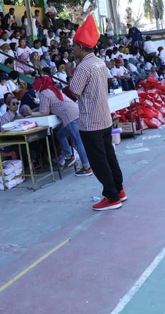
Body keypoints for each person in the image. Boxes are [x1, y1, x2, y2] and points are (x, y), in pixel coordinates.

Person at [70, 15, 126, 210]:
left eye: (73, 46)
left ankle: (111, 197)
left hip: (90, 122)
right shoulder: (100, 62)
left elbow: (74, 91)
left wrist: (71, 72)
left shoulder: (83, 66)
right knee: (110, 156)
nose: (72, 50)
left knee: (99, 161)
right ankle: (119, 190)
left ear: (80, 46)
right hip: (104, 118)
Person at [32, 76, 91, 176]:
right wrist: (37, 110)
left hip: (70, 117)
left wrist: (31, 113)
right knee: (60, 135)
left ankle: (86, 167)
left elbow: (45, 112)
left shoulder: (44, 93)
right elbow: (52, 105)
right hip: (75, 112)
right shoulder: (52, 89)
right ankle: (69, 156)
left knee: (78, 141)